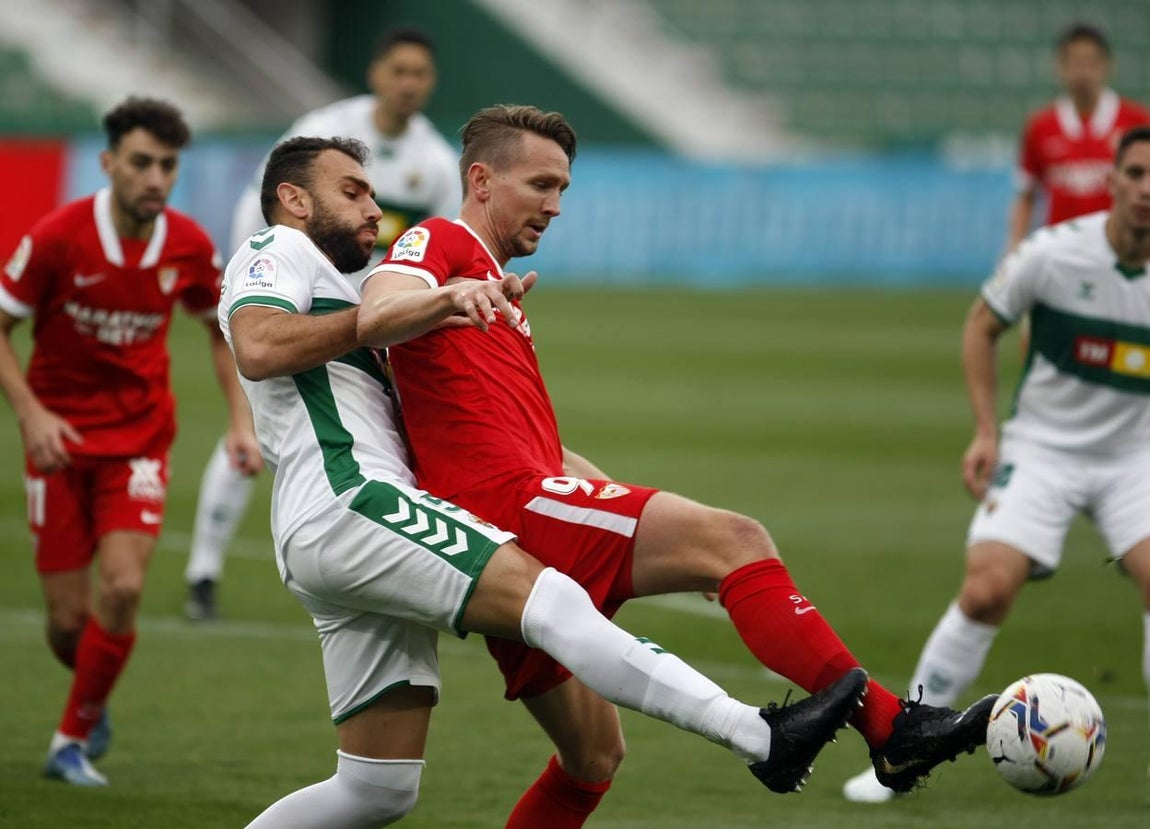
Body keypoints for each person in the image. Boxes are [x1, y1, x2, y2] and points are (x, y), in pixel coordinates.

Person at [358, 104, 997, 827]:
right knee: (736, 541)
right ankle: (892, 730)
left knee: (593, 758)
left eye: (564, 188)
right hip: (510, 509)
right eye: (541, 184)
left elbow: (525, 437)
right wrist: (448, 292)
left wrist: (624, 504)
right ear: (480, 178)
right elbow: (377, 308)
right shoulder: (439, 239)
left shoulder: (494, 286)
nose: (556, 206)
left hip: (513, 517)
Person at [225, 134, 872, 828]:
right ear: (293, 200)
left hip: (338, 530)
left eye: (373, 192)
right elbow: (259, 346)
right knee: (555, 598)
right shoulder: (277, 250)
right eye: (352, 190)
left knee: (375, 789)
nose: (373, 207)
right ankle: (763, 737)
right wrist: (423, 306)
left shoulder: (346, 291)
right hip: (351, 503)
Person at [843, 125, 1150, 803]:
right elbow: (982, 325)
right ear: (1112, 182)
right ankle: (904, 751)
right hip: (1043, 446)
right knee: (986, 589)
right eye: (1136, 172)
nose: (1147, 189)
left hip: (1136, 457)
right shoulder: (1053, 254)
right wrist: (987, 432)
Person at [0, 96, 260, 787]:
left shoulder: (187, 244)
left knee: (122, 585)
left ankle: (69, 739)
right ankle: (92, 694)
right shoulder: (58, 237)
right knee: (67, 622)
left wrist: (241, 422)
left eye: (168, 165)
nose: (156, 177)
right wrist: (30, 414)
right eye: (142, 162)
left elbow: (219, 328)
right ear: (108, 162)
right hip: (56, 443)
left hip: (141, 441)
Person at [184, 26, 460, 620]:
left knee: (387, 436)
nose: (410, 84)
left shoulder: (435, 162)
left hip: (375, 318)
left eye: (422, 74)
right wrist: (252, 281)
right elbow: (265, 203)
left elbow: (434, 244)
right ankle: (203, 570)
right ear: (377, 75)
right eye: (400, 71)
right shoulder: (329, 131)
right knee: (255, 430)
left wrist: (414, 305)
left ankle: (398, 557)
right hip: (300, 298)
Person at [1006, 21, 1150, 252]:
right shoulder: (1041, 126)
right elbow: (1026, 195)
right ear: (1060, 67)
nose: (1082, 72)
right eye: (1074, 63)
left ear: (1106, 65)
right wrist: (1014, 246)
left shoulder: (1137, 121)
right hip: (1060, 254)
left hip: (1120, 252)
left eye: (1090, 63)